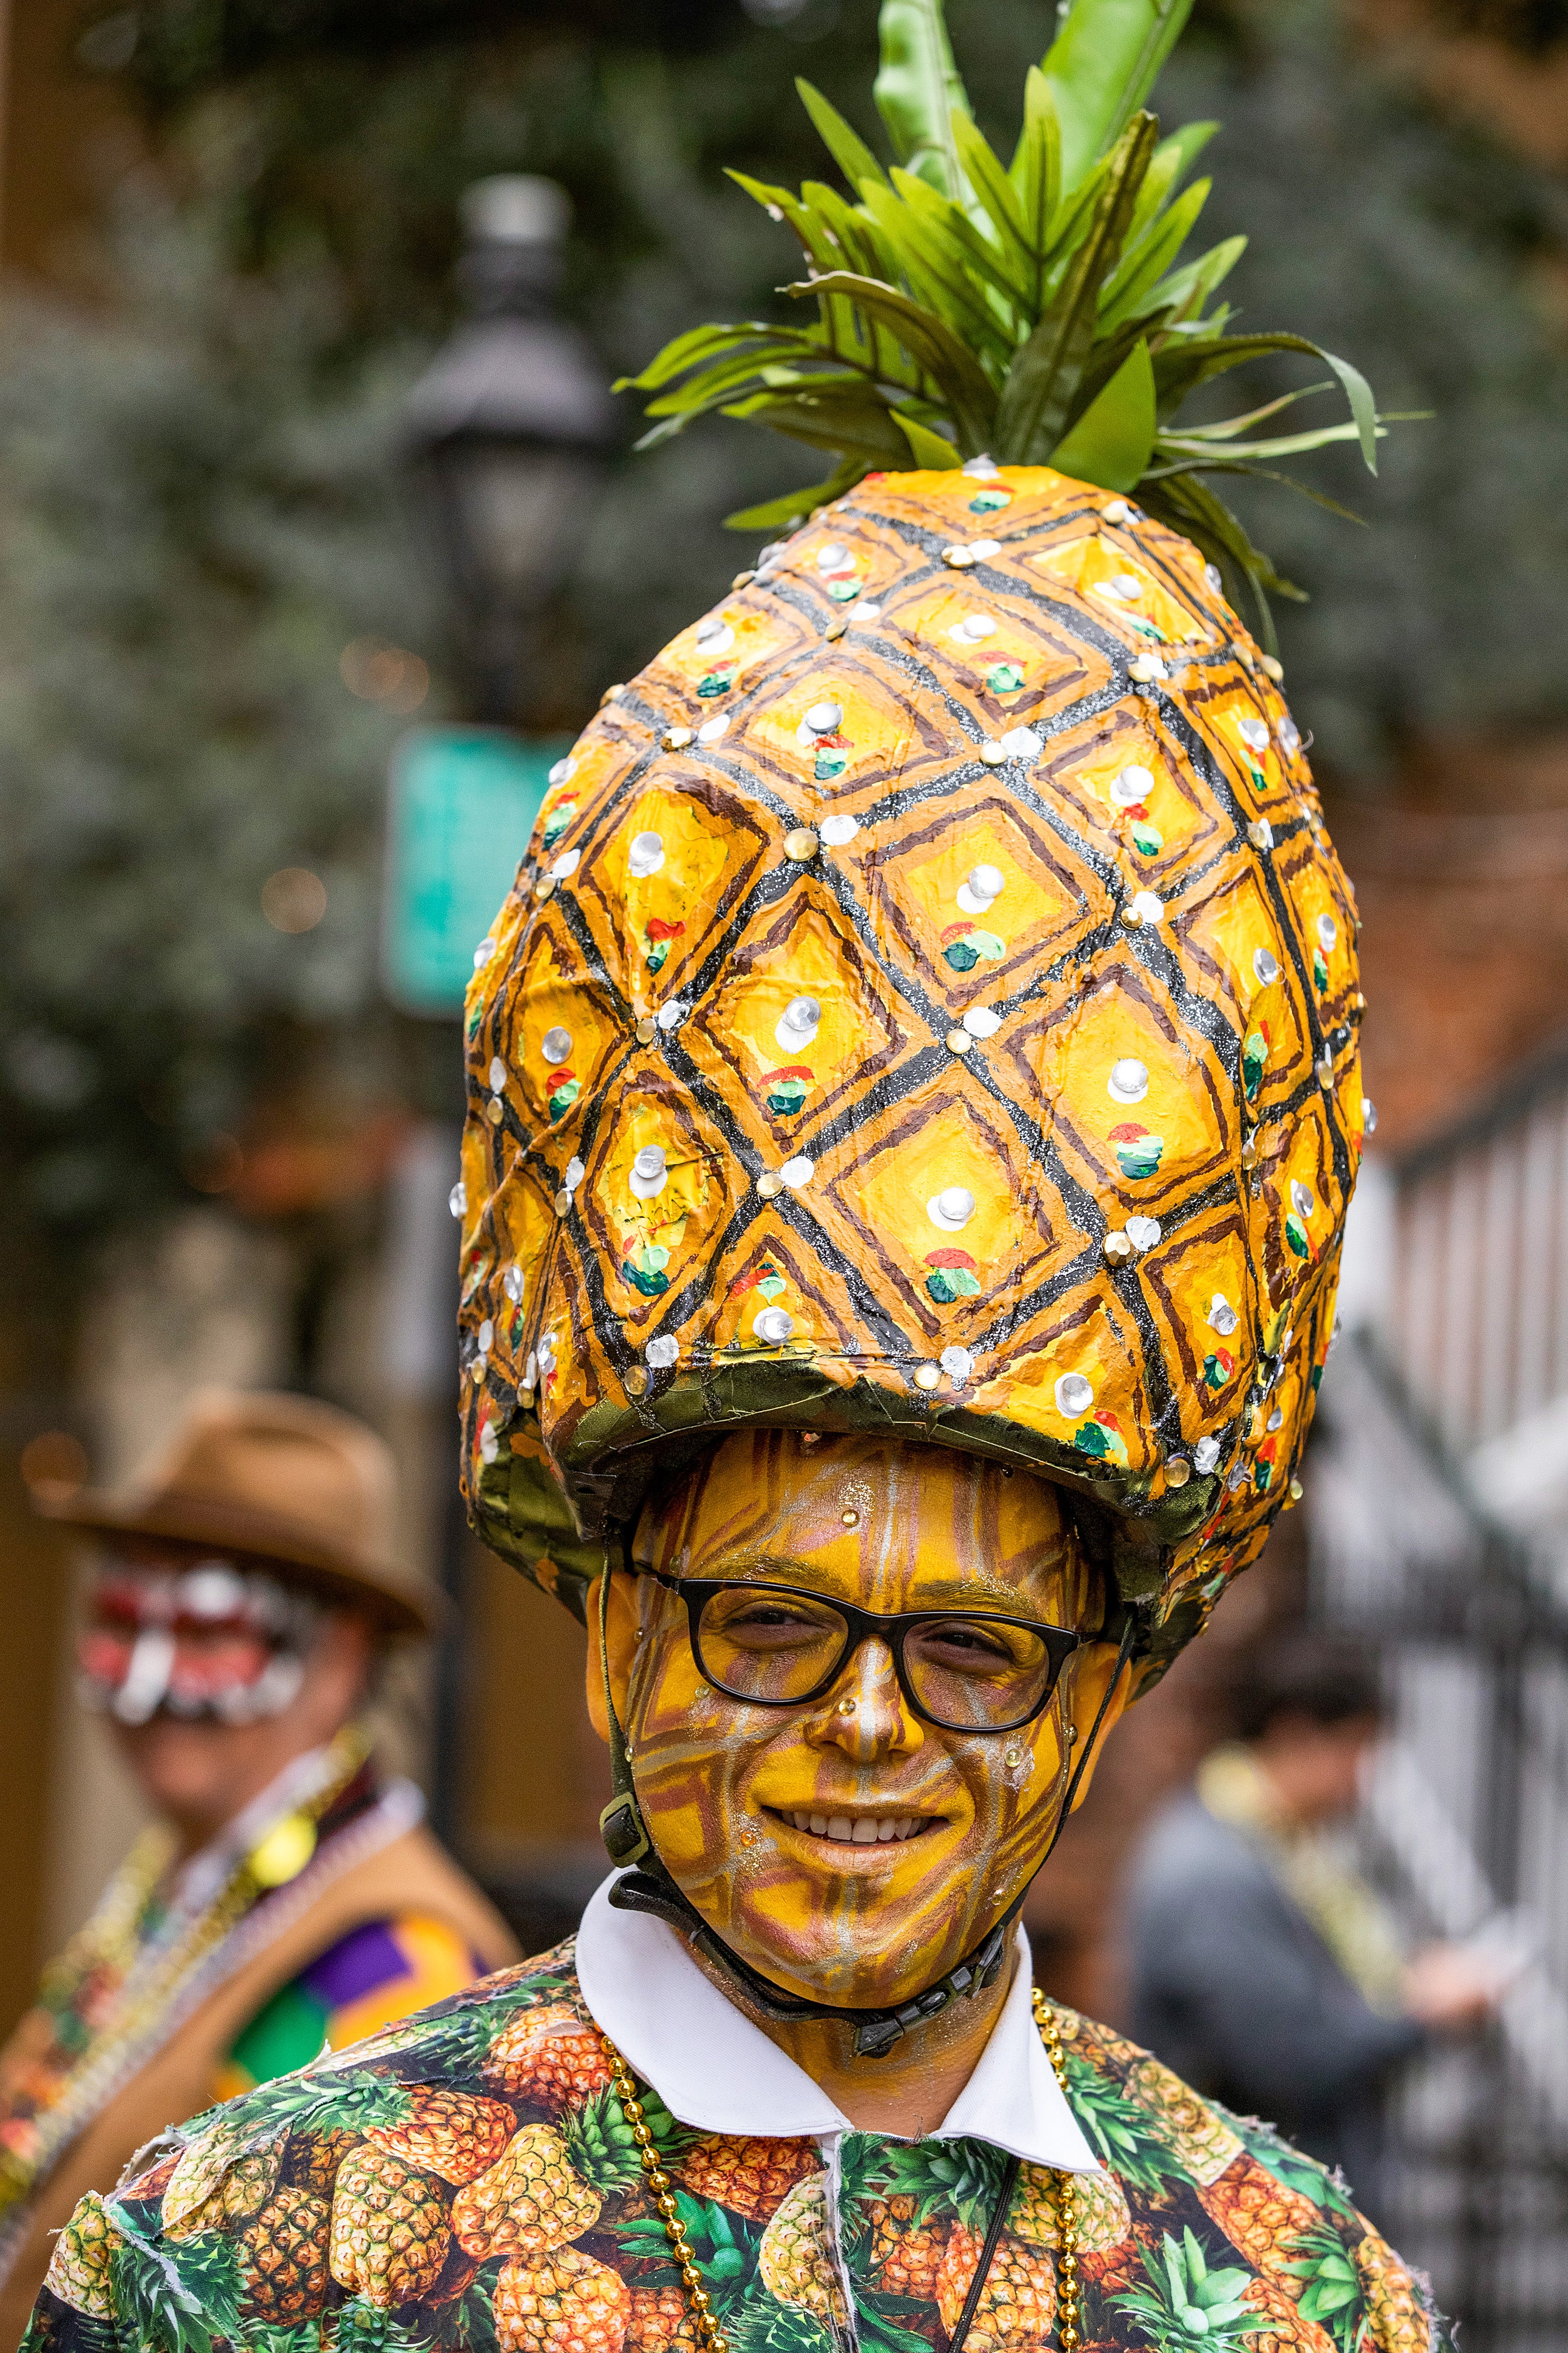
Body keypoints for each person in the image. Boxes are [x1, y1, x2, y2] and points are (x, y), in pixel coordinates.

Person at [20, 3, 1455, 2348]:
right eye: (767, 1617)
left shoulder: (1293, 2298)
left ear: (1097, 1701)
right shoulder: (240, 2265)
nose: (866, 1723)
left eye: (977, 1646)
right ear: (607, 1611)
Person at [0, 1388, 518, 2341]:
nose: (149, 1686)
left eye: (206, 1632)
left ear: (338, 1658)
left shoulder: (400, 1961)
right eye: (123, 1620)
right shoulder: (182, 1883)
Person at [1124, 1632, 1501, 2212]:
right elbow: (1290, 2059)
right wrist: (1422, 2012)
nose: (1363, 1778)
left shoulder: (1276, 1850)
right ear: (1295, 1733)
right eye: (1357, 1750)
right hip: (1245, 2221)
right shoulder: (1214, 1871)